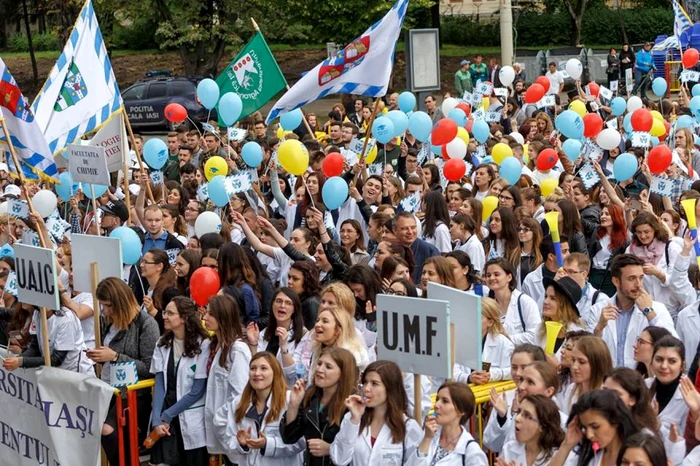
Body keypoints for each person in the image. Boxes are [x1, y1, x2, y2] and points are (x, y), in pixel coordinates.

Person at [93, 277, 160, 466]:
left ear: (120, 302)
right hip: (108, 389)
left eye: (108, 305)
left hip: (133, 394)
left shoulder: (146, 325)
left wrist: (115, 357)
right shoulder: (108, 321)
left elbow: (149, 367)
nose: (105, 310)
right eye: (102, 305)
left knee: (109, 431)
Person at [213, 352, 305, 466]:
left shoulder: (290, 400)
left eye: (263, 368)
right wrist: (241, 444)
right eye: (253, 368)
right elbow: (224, 431)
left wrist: (267, 444)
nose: (257, 373)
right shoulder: (239, 402)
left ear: (275, 373)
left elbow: (301, 442)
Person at [149, 296, 211, 466]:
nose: (165, 316)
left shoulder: (203, 344)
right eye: (165, 312)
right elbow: (160, 383)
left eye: (170, 313)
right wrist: (156, 419)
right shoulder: (162, 343)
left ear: (184, 318)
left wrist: (168, 414)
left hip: (188, 414)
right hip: (165, 415)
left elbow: (197, 390)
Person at [588, 254, 676, 369]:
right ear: (616, 281)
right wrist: (599, 328)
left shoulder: (657, 309)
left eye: (641, 278)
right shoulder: (598, 310)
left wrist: (649, 313)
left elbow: (673, 344)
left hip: (642, 382)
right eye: (632, 278)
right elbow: (588, 353)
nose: (638, 284)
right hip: (607, 381)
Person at [332, 360, 423, 466]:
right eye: (365, 382)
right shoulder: (352, 418)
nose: (367, 389)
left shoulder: (408, 426)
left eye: (374, 384)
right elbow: (339, 459)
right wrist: (354, 420)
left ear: (390, 388)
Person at [280, 347, 358, 466]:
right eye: (319, 363)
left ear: (343, 373)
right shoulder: (310, 396)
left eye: (328, 367)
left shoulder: (353, 404)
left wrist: (330, 449)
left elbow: (361, 449)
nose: (320, 369)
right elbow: (289, 437)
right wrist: (293, 405)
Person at [204, 294, 252, 462]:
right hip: (224, 430)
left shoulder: (237, 350)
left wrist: (220, 418)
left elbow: (240, 393)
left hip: (232, 428)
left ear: (223, 316)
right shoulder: (220, 346)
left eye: (210, 314)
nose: (204, 317)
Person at [549, 390, 639, 466]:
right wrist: (566, 445)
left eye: (595, 427)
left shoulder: (638, 454)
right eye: (585, 427)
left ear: (615, 420)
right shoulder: (586, 454)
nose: (589, 435)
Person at [412, 381, 488, 466]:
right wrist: (427, 439)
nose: (436, 405)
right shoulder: (428, 435)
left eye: (445, 401)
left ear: (460, 411)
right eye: (437, 399)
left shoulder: (471, 452)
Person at [246, 288, 308, 386]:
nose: (282, 306)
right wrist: (253, 343)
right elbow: (255, 365)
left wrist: (284, 347)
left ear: (294, 309)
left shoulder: (303, 335)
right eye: (278, 301)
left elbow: (292, 376)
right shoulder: (265, 332)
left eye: (288, 303)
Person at [626, 212, 682, 318]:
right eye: (639, 232)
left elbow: (679, 282)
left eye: (646, 232)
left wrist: (658, 274)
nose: (643, 236)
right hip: (642, 309)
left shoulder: (671, 248)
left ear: (655, 230)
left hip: (670, 310)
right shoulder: (631, 250)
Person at [453, 297, 514, 384]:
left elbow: (512, 371)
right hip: (465, 393)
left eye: (478, 317)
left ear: (490, 322)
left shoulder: (504, 343)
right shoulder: (459, 341)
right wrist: (469, 378)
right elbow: (452, 373)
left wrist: (491, 375)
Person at [484, 258, 541, 344]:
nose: (491, 278)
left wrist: (508, 337)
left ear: (509, 277)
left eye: (496, 274)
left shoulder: (525, 302)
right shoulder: (487, 303)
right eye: (488, 275)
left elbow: (536, 336)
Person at [499, 395, 565, 466]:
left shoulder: (558, 457)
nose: (517, 418)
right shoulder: (509, 449)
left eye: (527, 415)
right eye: (519, 412)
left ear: (542, 426)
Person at [647, 336, 689, 441]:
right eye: (659, 359)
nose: (664, 366)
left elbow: (684, 443)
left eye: (672, 361)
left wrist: (656, 425)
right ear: (651, 361)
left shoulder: (688, 398)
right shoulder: (643, 386)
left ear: (682, 365)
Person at [558, 336, 612, 415]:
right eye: (573, 360)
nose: (574, 366)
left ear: (597, 364)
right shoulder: (571, 389)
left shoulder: (607, 397)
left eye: (582, 362)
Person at [536, 277, 585, 360]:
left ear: (565, 305)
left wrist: (557, 367)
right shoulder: (540, 328)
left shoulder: (578, 336)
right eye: (546, 296)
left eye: (552, 298)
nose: (545, 302)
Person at [603, 368, 658, 432]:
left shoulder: (642, 434)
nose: (607, 396)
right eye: (604, 391)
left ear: (632, 400)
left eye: (615, 393)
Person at [393, 212, 440, 284]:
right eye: (405, 228)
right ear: (395, 231)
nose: (410, 232)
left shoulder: (430, 251)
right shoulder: (389, 249)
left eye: (413, 227)